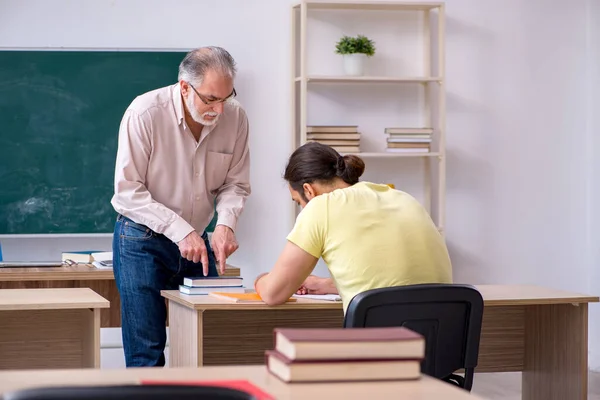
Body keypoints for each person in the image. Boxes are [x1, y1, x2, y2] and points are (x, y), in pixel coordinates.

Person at [110, 46, 251, 367]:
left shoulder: (236, 116)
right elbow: (127, 192)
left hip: (197, 243)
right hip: (142, 240)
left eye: (226, 98)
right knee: (147, 353)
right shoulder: (145, 112)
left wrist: (226, 223)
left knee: (210, 346)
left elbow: (236, 184)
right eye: (211, 99)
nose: (219, 109)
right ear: (185, 87)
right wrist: (180, 231)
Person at [254, 142, 451, 314]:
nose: (302, 209)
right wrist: (325, 285)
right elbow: (397, 280)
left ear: (308, 190)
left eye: (298, 202)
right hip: (442, 345)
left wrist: (261, 280)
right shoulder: (402, 197)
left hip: (382, 346)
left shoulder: (321, 206)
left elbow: (273, 293)